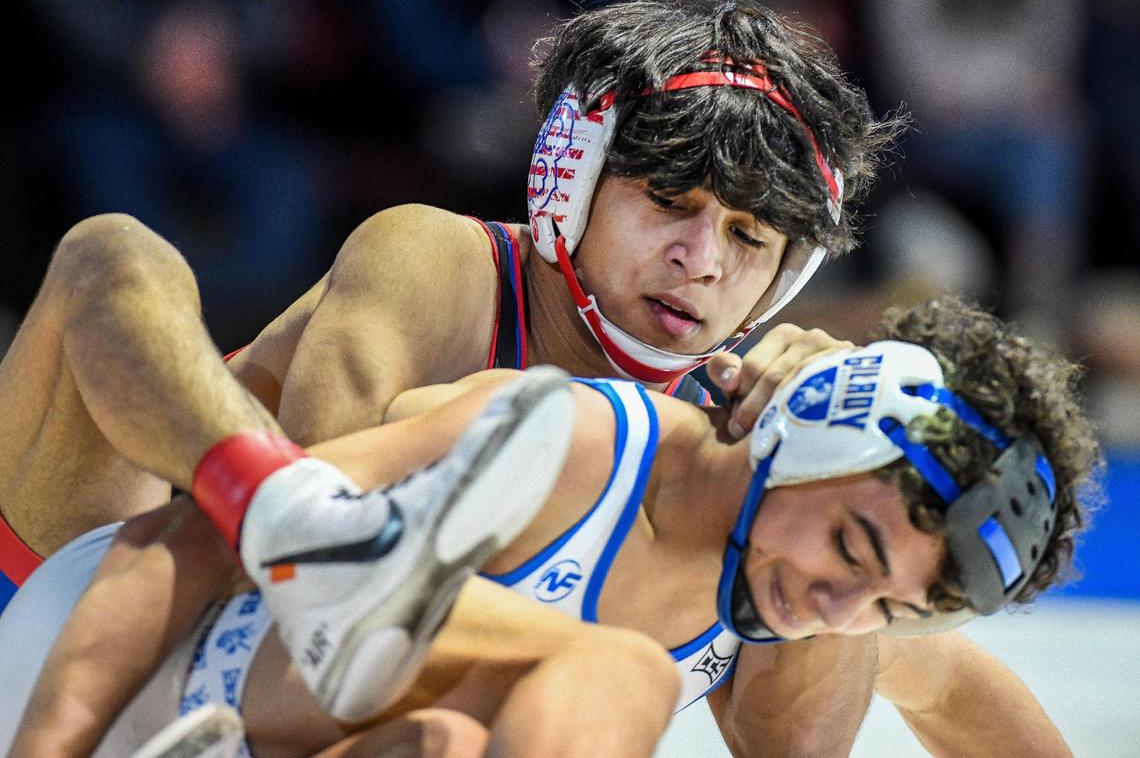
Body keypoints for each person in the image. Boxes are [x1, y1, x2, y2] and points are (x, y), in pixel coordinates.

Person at [0, 0, 1058, 757]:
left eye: (750, 238)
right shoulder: (441, 263)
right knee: (114, 255)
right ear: (574, 173)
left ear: (788, 281)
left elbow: (941, 681)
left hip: (282, 712)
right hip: (114, 564)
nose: (702, 262)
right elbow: (318, 578)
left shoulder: (756, 462)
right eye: (672, 203)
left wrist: (831, 450)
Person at [3, 297, 1100, 757]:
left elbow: (957, 694)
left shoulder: (795, 605)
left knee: (457, 742)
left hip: (242, 732)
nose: (838, 603)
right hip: (106, 658)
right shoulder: (578, 436)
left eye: (888, 603)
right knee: (610, 676)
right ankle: (344, 565)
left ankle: (366, 584)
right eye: (853, 549)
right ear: (812, 425)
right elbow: (184, 540)